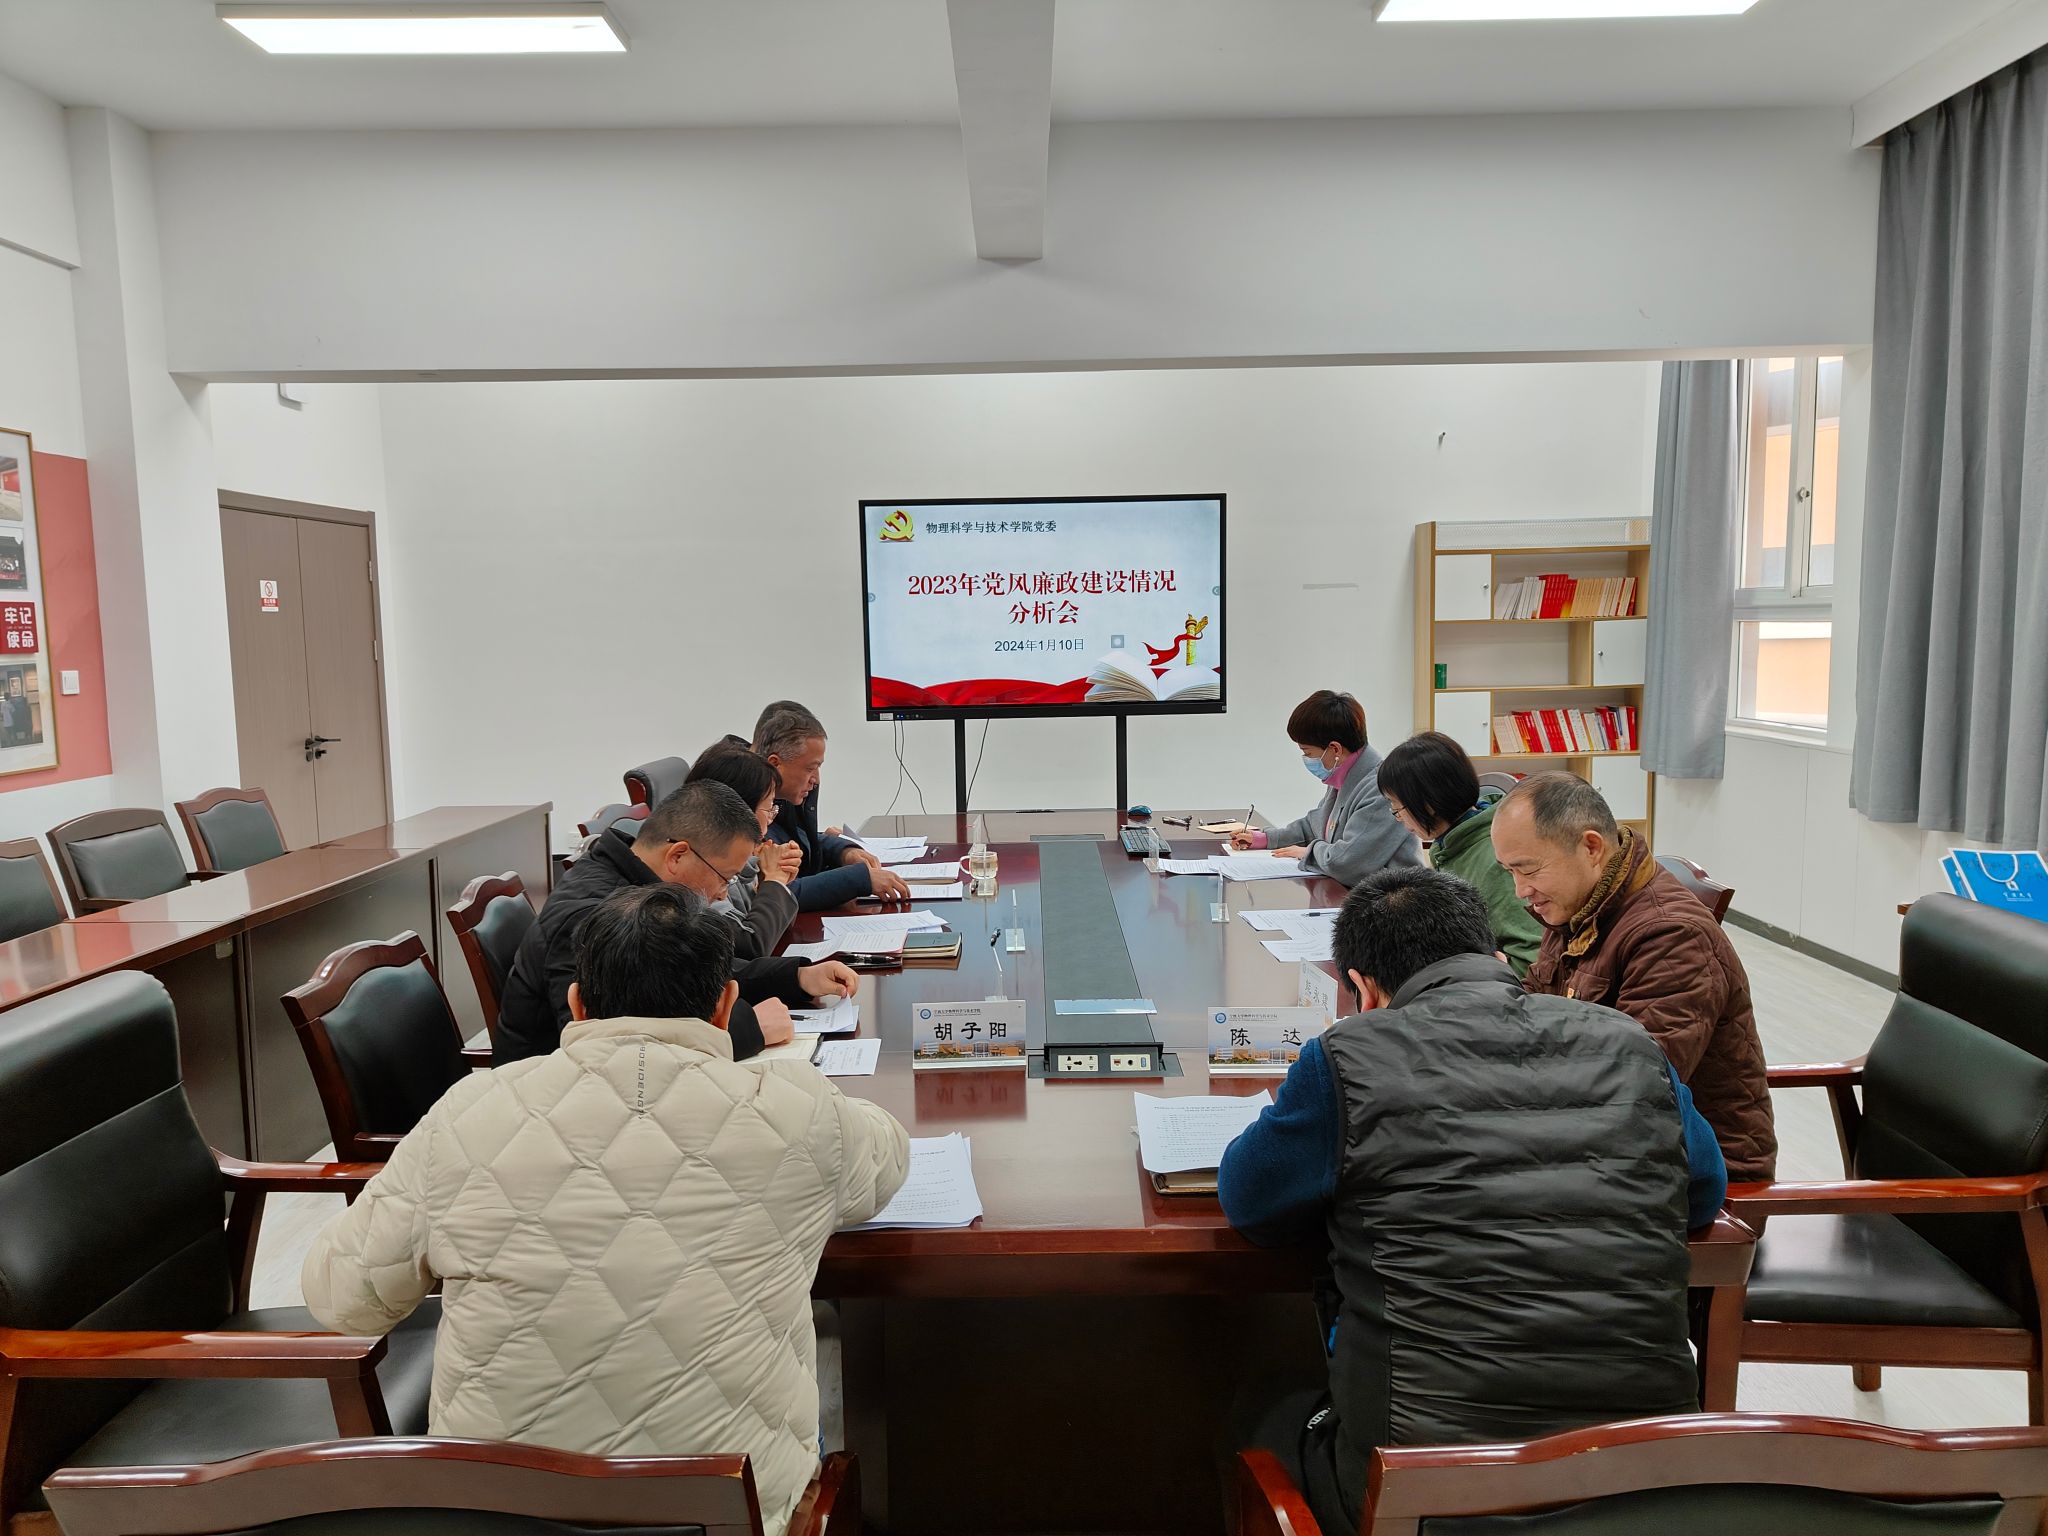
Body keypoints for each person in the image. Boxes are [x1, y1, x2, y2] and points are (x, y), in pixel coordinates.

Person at [303, 884, 909, 1536]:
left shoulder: (468, 1112)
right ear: (725, 1002)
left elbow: (343, 1298)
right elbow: (887, 1161)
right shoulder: (800, 1110)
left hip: (502, 1514)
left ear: (576, 1002)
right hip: (728, 1512)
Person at [1219, 867, 1723, 1536]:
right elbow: (1702, 1194)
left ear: (1363, 990)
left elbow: (1250, 1202)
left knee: (1261, 1407)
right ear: (1499, 959)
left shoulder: (1346, 1055)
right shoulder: (1629, 1042)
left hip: (1428, 1491)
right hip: (1641, 1480)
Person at [1491, 770, 1776, 1182]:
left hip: (1690, 1171)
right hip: (1611, 1141)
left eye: (1529, 870)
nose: (1521, 890)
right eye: (1509, 872)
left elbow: (1638, 1082)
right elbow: (1535, 1006)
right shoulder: (1579, 905)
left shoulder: (1673, 935)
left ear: (1591, 847)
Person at [495, 780, 860, 1064]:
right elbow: (606, 1049)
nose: (722, 894)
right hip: (559, 1104)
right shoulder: (593, 917)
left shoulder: (636, 883)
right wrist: (749, 1029)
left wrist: (795, 978)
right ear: (678, 855)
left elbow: (695, 969)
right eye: (725, 877)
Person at [1375, 732, 1541, 975]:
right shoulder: (1451, 843)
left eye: (1397, 807)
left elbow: (1530, 961)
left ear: (1428, 804)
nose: (1397, 817)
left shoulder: (1495, 859)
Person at [1230, 690, 1420, 885]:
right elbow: (1313, 827)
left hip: (1392, 898)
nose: (1306, 759)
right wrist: (1264, 839)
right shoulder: (1344, 776)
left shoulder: (1381, 789)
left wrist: (1309, 852)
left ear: (1335, 749)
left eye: (1307, 752)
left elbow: (1346, 863)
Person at [753, 701, 912, 911]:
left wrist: (842, 851)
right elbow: (781, 891)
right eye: (810, 768)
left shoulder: (780, 790)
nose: (816, 780)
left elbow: (799, 839)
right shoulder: (745, 801)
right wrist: (859, 880)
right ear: (775, 764)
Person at [684, 742, 804, 956]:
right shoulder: (702, 865)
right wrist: (775, 881)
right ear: (739, 811)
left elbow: (780, 928)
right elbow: (749, 945)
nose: (771, 819)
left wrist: (770, 881)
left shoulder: (737, 858)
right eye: (769, 808)